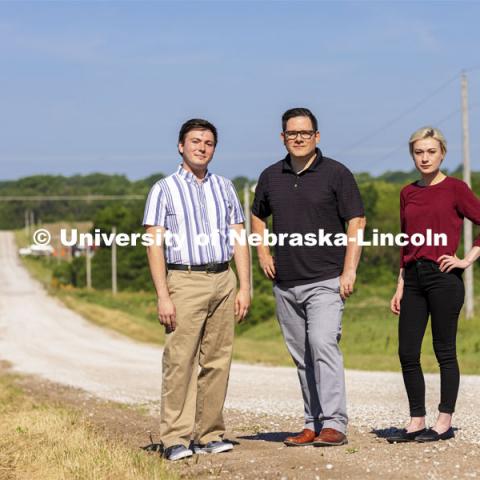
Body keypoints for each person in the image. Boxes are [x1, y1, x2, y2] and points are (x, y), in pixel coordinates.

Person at [251, 107, 366, 447]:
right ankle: (312, 423)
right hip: (286, 283)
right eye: (291, 133)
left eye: (304, 133)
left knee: (322, 345)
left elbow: (356, 221)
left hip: (325, 279)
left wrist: (349, 270)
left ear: (317, 136)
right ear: (282, 138)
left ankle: (334, 424)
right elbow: (257, 217)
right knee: (302, 357)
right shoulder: (271, 176)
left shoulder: (337, 174)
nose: (297, 138)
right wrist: (262, 252)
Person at [143, 118, 250, 461]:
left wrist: (244, 286)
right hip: (184, 280)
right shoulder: (164, 189)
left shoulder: (225, 187)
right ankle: (175, 437)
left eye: (208, 142)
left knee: (218, 360)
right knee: (181, 360)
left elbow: (238, 237)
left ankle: (210, 433)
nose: (202, 147)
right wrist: (163, 294)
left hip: (223, 278)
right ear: (181, 146)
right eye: (195, 141)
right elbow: (153, 244)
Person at [388, 126, 480, 444]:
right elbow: (406, 242)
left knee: (444, 351)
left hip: (444, 278)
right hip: (413, 278)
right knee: (407, 352)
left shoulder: (456, 189)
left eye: (431, 151)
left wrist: (466, 260)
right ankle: (416, 421)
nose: (424, 158)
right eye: (419, 152)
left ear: (442, 153)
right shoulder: (407, 193)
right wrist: (400, 284)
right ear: (413, 155)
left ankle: (444, 421)